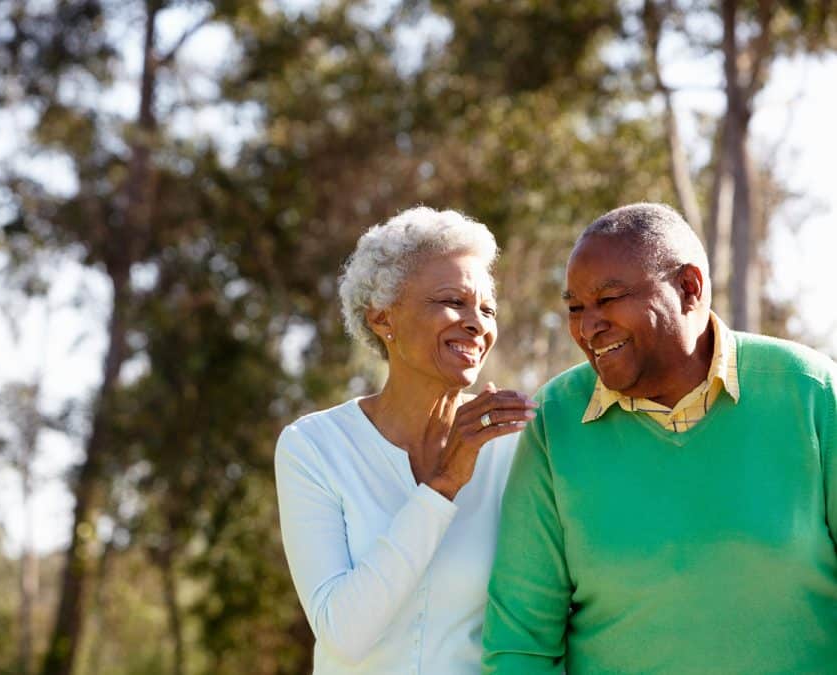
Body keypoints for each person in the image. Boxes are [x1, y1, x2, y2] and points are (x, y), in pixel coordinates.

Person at [482, 202, 837, 673]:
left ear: (689, 288)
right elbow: (520, 644)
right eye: (575, 308)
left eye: (607, 300)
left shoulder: (810, 392)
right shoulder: (554, 422)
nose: (588, 327)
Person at [276, 206, 536, 674]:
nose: (477, 323)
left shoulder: (514, 447)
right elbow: (343, 633)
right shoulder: (313, 447)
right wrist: (443, 486)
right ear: (382, 318)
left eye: (487, 308)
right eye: (451, 301)